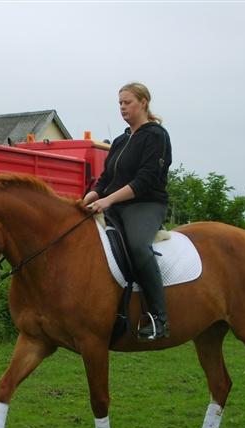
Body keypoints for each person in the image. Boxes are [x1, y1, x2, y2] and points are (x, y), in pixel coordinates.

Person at [82, 82, 172, 341]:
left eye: (127, 102)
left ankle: (159, 317)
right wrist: (89, 197)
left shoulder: (156, 135)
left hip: (145, 204)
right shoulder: (121, 140)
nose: (122, 107)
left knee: (137, 246)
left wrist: (108, 200)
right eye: (119, 103)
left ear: (143, 103)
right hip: (114, 204)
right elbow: (106, 178)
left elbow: (145, 180)